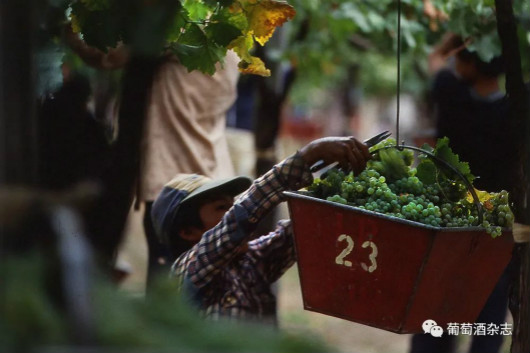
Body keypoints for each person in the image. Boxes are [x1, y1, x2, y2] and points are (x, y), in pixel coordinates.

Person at [65, 26, 240, 289]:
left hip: (174, 186)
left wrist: (66, 25)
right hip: (212, 177)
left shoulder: (183, 23)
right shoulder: (233, 30)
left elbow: (107, 53)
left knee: (167, 283)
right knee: (200, 283)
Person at [150, 136, 371, 324]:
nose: (230, 212)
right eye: (221, 208)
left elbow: (302, 229)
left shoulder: (253, 261)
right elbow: (238, 219)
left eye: (231, 204)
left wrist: (337, 184)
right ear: (188, 233)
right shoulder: (186, 271)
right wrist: (307, 156)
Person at [409, 33, 518, 353]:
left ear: (471, 63)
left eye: (461, 58)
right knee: (489, 322)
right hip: (496, 231)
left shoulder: (451, 94)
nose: (455, 63)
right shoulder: (517, 111)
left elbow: (436, 56)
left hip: (448, 228)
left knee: (434, 317)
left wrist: (457, 33)